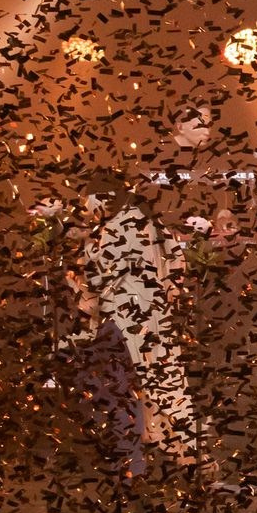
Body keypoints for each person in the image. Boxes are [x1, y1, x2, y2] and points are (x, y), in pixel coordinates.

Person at [72, 177, 204, 482]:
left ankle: (145, 462)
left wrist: (84, 267)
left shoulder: (115, 230)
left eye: (90, 204)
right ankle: (184, 458)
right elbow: (177, 271)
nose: (89, 212)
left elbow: (100, 282)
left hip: (129, 323)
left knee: (134, 388)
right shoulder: (152, 225)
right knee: (168, 384)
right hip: (156, 320)